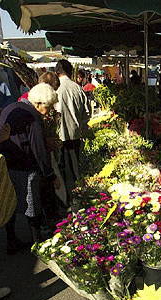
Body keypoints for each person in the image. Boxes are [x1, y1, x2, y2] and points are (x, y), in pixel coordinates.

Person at [0, 83, 60, 252]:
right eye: (48, 107)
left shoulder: (11, 107)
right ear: (39, 103)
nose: (49, 111)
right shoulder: (32, 116)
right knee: (32, 204)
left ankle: (12, 240)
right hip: (25, 166)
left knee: (9, 201)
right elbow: (38, 148)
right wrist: (50, 174)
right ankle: (37, 241)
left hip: (7, 164)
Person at [55, 60, 90, 200]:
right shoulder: (77, 88)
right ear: (70, 72)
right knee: (75, 169)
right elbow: (87, 113)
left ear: (57, 72)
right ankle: (79, 196)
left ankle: (67, 200)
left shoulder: (56, 89)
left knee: (62, 169)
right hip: (75, 135)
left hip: (59, 137)